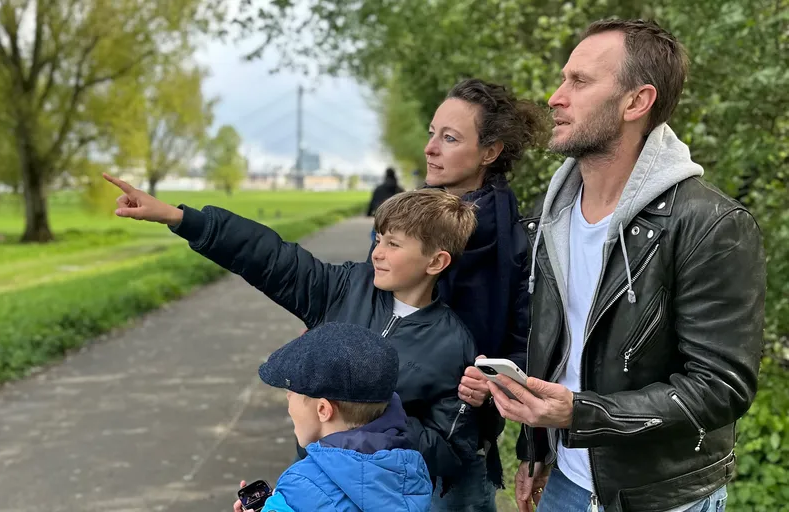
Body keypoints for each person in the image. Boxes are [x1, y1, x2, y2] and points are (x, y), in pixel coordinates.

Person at [484, 19, 766, 512]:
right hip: (566, 484)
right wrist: (535, 447)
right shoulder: (553, 217)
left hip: (659, 497)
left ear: (636, 102)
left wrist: (580, 414)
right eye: (562, 78)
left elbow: (721, 386)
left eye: (580, 82)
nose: (555, 97)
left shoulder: (711, 223)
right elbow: (562, 348)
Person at [102, 173, 482, 499]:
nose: (377, 254)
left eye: (393, 244)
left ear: (436, 262)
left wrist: (372, 416)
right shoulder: (344, 287)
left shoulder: (454, 344)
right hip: (310, 486)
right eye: (378, 238)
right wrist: (179, 218)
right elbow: (269, 257)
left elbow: (451, 449)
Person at [369, 78, 550, 511]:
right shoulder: (404, 221)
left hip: (457, 449)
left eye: (449, 138)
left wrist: (494, 381)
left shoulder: (518, 242)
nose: (431, 147)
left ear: (490, 152)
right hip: (371, 432)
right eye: (433, 133)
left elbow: (531, 347)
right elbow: (367, 303)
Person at [231, 322, 432, 512]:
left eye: (291, 392)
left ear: (323, 410)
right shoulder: (410, 468)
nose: (288, 399)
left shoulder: (297, 488)